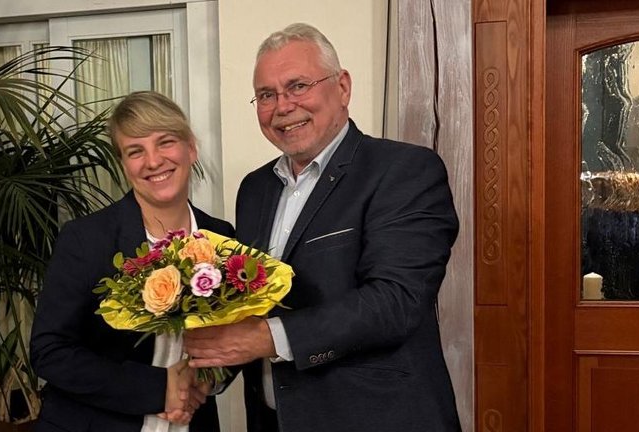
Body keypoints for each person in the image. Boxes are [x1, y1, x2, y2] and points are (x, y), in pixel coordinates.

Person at [183, 23, 461, 432]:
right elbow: (252, 306)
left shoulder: (404, 170)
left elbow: (395, 301)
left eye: (297, 86)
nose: (282, 106)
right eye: (266, 95)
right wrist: (209, 369)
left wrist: (266, 338)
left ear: (343, 87)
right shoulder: (255, 189)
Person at [30, 91, 233, 432]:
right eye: (135, 151)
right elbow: (49, 351)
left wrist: (206, 380)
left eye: (165, 142)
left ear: (191, 148)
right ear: (123, 164)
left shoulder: (221, 237)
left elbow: (235, 336)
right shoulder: (86, 239)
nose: (153, 161)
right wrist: (159, 389)